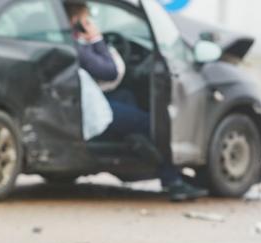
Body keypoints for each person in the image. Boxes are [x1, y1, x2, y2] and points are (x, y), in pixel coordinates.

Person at [64, 1, 208, 202]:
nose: (89, 23)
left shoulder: (68, 43)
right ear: (75, 21)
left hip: (88, 100)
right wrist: (96, 39)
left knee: (127, 98)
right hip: (88, 108)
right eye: (86, 20)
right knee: (151, 123)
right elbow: (109, 71)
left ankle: (135, 144)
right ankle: (171, 179)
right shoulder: (76, 47)